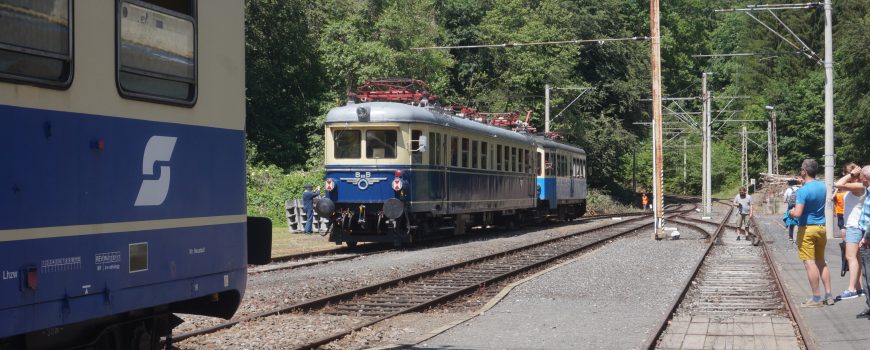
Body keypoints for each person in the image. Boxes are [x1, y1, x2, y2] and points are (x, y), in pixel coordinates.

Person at [789, 159, 834, 307]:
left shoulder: (803, 190)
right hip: (821, 228)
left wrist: (791, 212)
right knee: (822, 262)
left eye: (801, 169)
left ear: (805, 171)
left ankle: (816, 298)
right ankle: (829, 295)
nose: (800, 171)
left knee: (810, 263)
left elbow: (798, 213)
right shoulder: (822, 187)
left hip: (807, 229)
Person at [834, 163, 864, 300]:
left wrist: (851, 175)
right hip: (852, 226)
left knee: (850, 257)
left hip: (855, 227)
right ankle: (859, 288)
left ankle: (851, 289)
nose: (845, 177)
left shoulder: (859, 186)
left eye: (846, 174)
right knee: (856, 258)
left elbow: (838, 184)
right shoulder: (856, 187)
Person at [855, 166, 870, 318]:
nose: (859, 180)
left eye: (861, 177)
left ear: (866, 178)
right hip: (865, 237)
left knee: (868, 277)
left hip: (868, 240)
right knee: (865, 276)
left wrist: (866, 237)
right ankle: (868, 305)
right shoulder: (868, 192)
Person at [783, 179, 802, 243]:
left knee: (791, 222)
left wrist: (788, 201)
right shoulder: (800, 189)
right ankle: (798, 238)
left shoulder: (788, 190)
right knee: (799, 222)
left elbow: (784, 200)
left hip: (791, 207)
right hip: (799, 207)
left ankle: (791, 237)